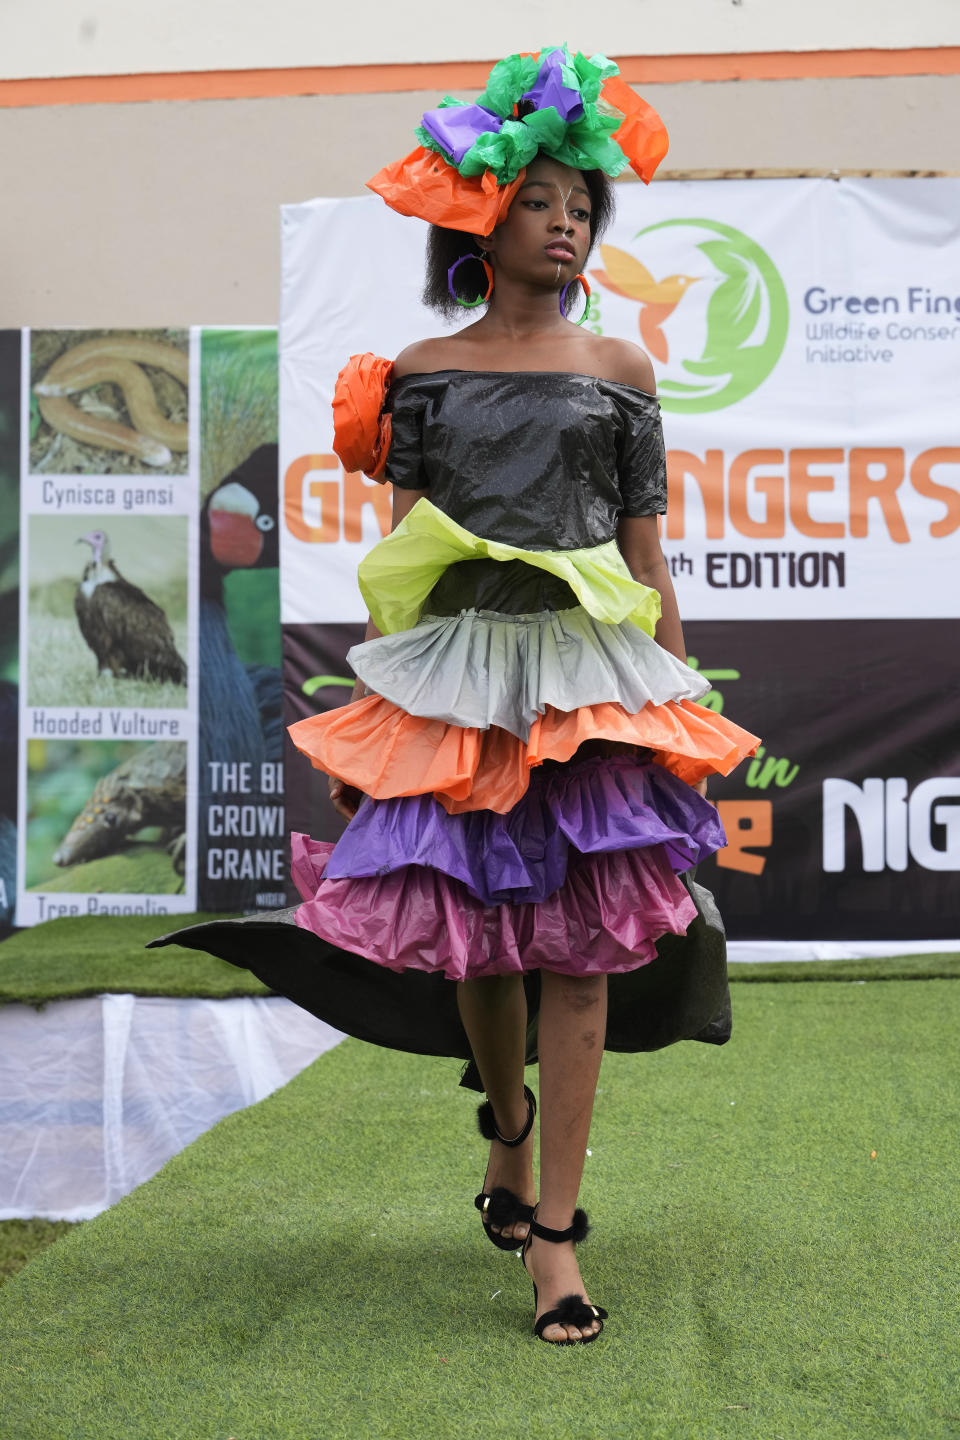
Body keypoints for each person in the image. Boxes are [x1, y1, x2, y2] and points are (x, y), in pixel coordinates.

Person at [154, 46, 759, 1347]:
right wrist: (381, 729)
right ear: (486, 213)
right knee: (486, 944)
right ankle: (510, 1122)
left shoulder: (623, 372)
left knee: (582, 958)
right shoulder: (420, 374)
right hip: (462, 680)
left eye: (583, 203)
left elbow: (648, 559)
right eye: (542, 198)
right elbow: (402, 553)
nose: (569, 219)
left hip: (594, 686)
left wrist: (679, 704)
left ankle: (556, 1234)